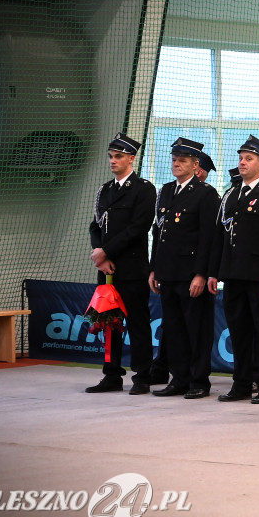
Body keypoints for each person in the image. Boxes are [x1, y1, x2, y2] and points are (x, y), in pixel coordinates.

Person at [207, 135, 259, 404]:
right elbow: (220, 237)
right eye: (241, 157)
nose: (242, 162)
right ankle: (241, 383)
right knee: (238, 332)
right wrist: (214, 272)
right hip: (232, 275)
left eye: (249, 158)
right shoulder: (231, 195)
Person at [148, 138, 220, 399]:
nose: (176, 164)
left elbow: (207, 238)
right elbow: (159, 233)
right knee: (174, 329)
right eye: (174, 159)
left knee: (197, 330)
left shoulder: (205, 193)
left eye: (183, 160)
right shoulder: (166, 191)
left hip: (191, 274)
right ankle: (179, 379)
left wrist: (201, 273)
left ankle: (199, 381)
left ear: (195, 164)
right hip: (168, 272)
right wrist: (154, 268)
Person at [85, 133, 156, 394]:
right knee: (109, 323)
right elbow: (95, 226)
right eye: (111, 157)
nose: (113, 161)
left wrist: (106, 253)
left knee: (137, 322)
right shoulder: (104, 190)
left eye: (118, 157)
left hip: (132, 267)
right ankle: (112, 375)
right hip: (107, 269)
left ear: (131, 159)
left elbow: (138, 228)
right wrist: (98, 254)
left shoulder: (144, 189)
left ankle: (142, 376)